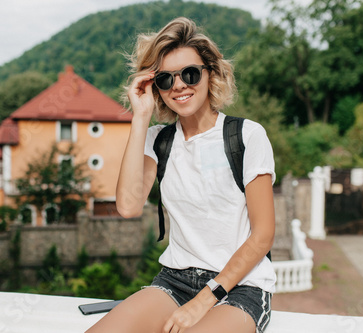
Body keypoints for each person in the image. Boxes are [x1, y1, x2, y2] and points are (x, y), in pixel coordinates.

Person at [85, 17, 276, 333]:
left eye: (189, 73)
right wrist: (141, 115)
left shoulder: (246, 136)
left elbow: (263, 235)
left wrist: (205, 299)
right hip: (176, 279)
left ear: (209, 74)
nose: (178, 85)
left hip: (241, 285)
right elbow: (129, 207)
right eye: (164, 79)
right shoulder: (158, 141)